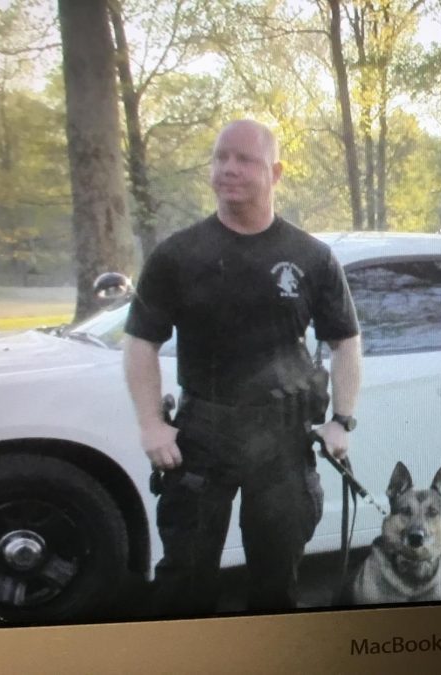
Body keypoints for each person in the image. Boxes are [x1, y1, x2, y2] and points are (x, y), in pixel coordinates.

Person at [122, 119, 361, 616]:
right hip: (202, 435)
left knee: (275, 586)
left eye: (245, 159)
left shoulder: (311, 258)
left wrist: (341, 420)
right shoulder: (178, 255)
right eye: (220, 157)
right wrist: (150, 425)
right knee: (184, 583)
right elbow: (141, 342)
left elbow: (345, 341)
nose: (228, 169)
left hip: (281, 442)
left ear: (275, 172)